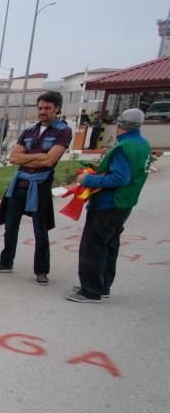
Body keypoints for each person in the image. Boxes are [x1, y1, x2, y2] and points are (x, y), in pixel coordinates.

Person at [0, 91, 71, 284]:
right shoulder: (29, 131)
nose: (43, 112)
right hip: (20, 184)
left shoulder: (62, 131)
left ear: (56, 109)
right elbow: (14, 158)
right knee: (10, 226)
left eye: (47, 108)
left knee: (40, 231)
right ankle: (6, 261)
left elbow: (50, 160)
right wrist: (39, 156)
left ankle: (41, 270)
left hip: (40, 186)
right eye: (40, 108)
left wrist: (34, 158)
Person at [67, 109, 151, 303]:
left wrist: (89, 179)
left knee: (93, 246)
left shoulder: (125, 147)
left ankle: (90, 290)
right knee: (108, 245)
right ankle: (102, 284)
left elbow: (120, 177)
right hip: (124, 202)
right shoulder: (141, 144)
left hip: (109, 203)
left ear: (120, 124)